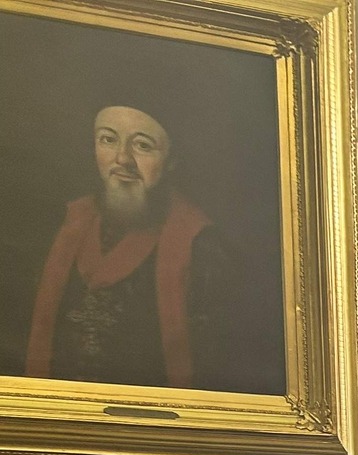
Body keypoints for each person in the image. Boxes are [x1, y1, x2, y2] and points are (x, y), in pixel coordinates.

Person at [24, 91, 238, 390]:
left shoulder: (203, 248)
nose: (123, 159)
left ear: (172, 161)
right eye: (108, 140)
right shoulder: (58, 227)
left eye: (142, 145)